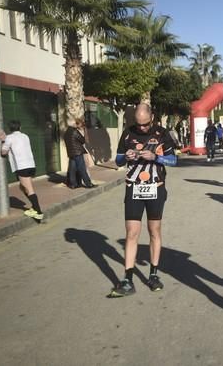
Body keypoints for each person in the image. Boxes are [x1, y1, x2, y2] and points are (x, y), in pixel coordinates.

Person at [109, 103, 177, 297]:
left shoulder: (162, 133)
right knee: (132, 232)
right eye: (139, 125)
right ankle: (127, 279)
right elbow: (119, 160)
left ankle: (153, 274)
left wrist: (155, 157)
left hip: (155, 188)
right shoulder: (128, 133)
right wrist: (127, 156)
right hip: (133, 188)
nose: (142, 128)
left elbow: (174, 161)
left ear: (152, 117)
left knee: (153, 230)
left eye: (145, 125)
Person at [0, 120, 43, 220]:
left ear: (10, 128)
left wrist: (3, 141)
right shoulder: (25, 136)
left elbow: (3, 153)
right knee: (22, 187)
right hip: (31, 165)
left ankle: (38, 211)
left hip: (22, 166)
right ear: (20, 127)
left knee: (29, 189)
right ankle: (34, 207)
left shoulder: (9, 138)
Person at [64, 118, 95, 189]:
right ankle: (88, 184)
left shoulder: (67, 132)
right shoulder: (74, 131)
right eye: (77, 124)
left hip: (71, 153)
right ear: (74, 124)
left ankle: (73, 184)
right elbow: (82, 140)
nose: (77, 125)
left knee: (72, 169)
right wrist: (83, 133)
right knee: (82, 168)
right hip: (78, 152)